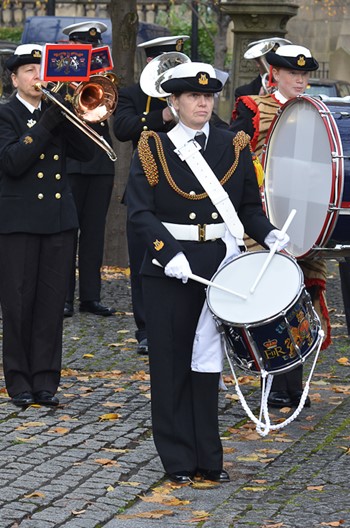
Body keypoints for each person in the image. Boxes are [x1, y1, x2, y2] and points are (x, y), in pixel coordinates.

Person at [126, 61, 288, 483]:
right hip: (170, 270)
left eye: (208, 96)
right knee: (170, 362)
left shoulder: (232, 143)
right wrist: (166, 251)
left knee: (208, 364)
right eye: (193, 97)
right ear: (174, 102)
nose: (202, 102)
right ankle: (178, 460)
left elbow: (248, 208)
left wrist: (268, 234)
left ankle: (208, 458)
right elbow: (141, 213)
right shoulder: (153, 145)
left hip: (220, 265)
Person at [230, 44, 331, 408]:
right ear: (274, 73)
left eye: (305, 75)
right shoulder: (251, 108)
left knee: (303, 302)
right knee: (272, 305)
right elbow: (235, 159)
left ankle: (295, 388)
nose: (301, 81)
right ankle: (272, 385)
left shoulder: (319, 111)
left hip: (306, 221)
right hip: (265, 218)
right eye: (293, 74)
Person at [0, 44, 93, 407]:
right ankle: (19, 381)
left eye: (42, 71)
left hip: (58, 222)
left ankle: (45, 381)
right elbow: (12, 162)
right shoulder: (6, 114)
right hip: (18, 223)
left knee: (52, 305)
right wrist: (49, 122)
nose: (38, 77)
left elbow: (88, 155)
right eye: (29, 71)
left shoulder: (58, 113)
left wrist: (77, 116)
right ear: (14, 78)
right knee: (19, 303)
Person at [113, 35, 190, 354]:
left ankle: (181, 323)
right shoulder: (132, 94)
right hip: (146, 188)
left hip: (184, 189)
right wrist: (164, 116)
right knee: (143, 259)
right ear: (150, 63)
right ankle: (145, 328)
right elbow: (123, 128)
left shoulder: (186, 94)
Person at [62, 21, 116, 317]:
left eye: (93, 48)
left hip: (99, 163)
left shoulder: (103, 78)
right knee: (69, 231)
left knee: (94, 233)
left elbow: (110, 112)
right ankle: (65, 297)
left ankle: (90, 298)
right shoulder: (59, 80)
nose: (89, 52)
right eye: (83, 47)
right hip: (70, 164)